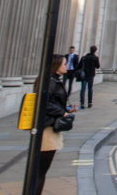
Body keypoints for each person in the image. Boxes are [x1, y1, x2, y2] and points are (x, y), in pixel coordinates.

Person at [38, 54, 76, 195]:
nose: (66, 66)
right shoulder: (50, 81)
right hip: (47, 129)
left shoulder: (52, 80)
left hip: (50, 126)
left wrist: (67, 109)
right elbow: (43, 102)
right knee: (41, 170)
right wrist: (62, 112)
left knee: (42, 170)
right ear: (56, 66)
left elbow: (51, 101)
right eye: (64, 64)